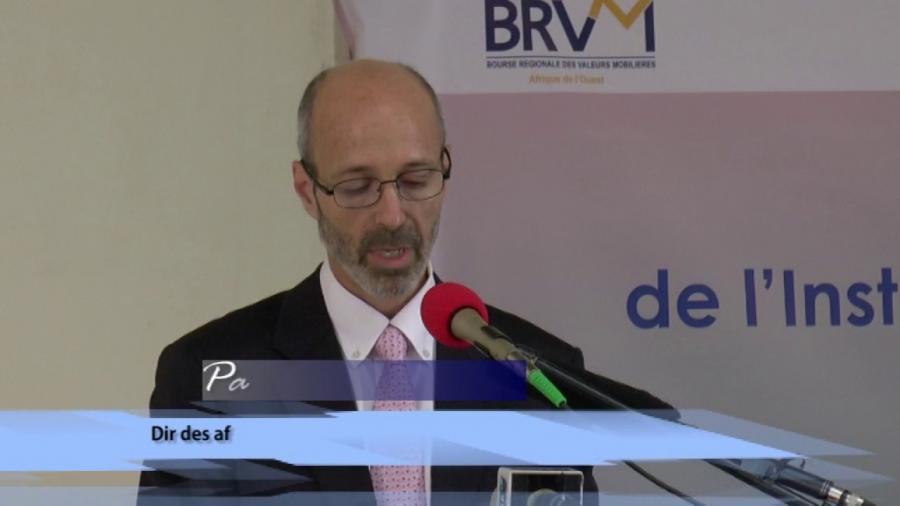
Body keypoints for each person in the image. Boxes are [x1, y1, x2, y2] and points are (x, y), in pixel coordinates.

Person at [139, 59, 673, 505]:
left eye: (417, 180)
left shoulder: (536, 376)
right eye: (357, 187)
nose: (393, 215)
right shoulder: (206, 376)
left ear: (446, 169)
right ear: (307, 191)